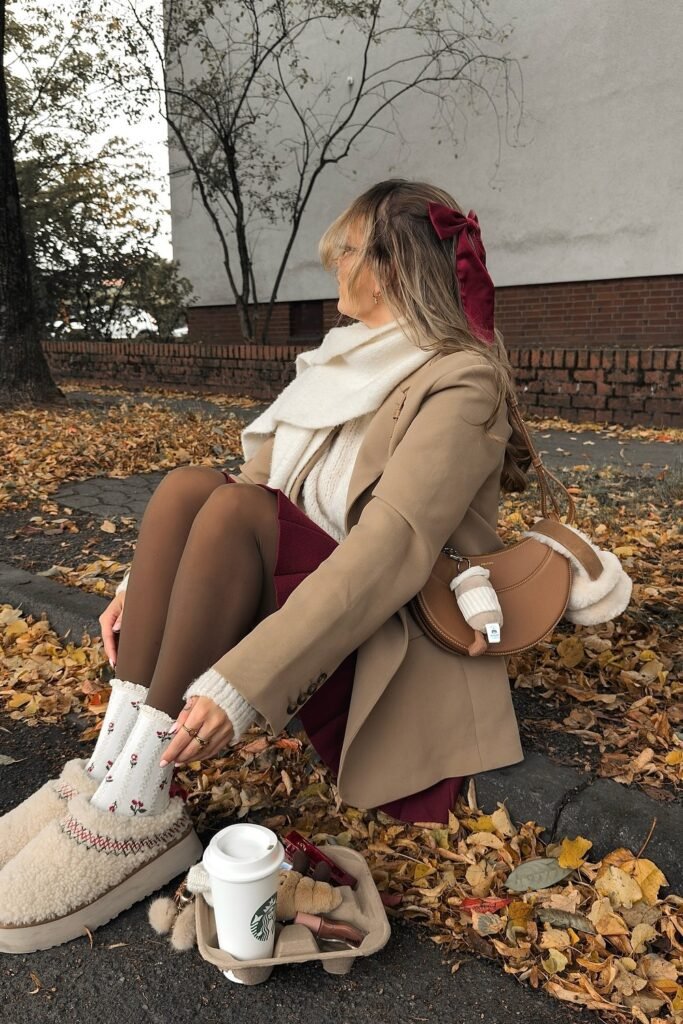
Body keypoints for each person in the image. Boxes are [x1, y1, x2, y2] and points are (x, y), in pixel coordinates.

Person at [0, 178, 530, 954]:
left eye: (347, 251)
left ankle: (138, 802)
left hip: (389, 629)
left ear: (388, 266)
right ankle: (115, 768)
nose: (334, 265)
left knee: (237, 511)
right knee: (192, 488)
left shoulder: (460, 378)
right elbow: (261, 486)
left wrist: (238, 684)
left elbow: (391, 551)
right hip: (311, 594)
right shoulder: (345, 361)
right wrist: (138, 591)